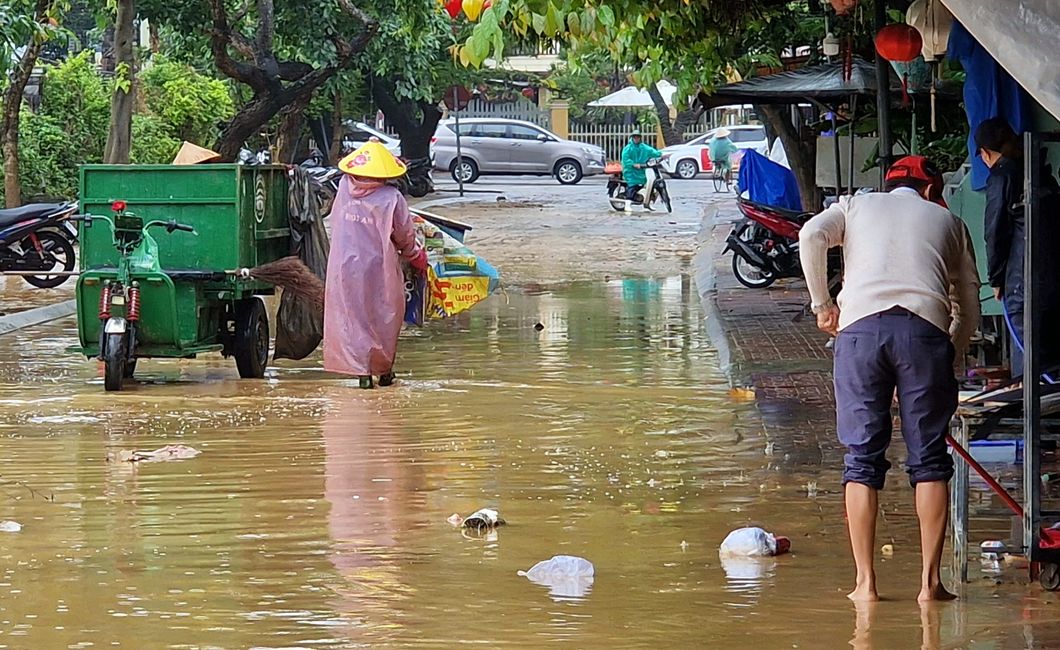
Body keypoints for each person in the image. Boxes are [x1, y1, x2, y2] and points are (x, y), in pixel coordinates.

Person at [799, 155, 981, 603]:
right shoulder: (948, 221)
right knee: (930, 460)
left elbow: (810, 235)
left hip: (860, 334)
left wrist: (823, 305)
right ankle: (929, 585)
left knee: (861, 459)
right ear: (930, 189)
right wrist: (949, 351)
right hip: (925, 334)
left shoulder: (856, 206)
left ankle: (865, 584)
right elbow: (970, 305)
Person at [324, 138, 428, 389]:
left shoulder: (343, 188)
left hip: (343, 266)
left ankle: (360, 371)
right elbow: (405, 236)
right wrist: (416, 256)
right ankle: (383, 369)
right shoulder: (392, 198)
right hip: (379, 268)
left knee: (353, 315)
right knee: (384, 315)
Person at [975, 117, 1060, 378]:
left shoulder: (1002, 178)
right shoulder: (1042, 174)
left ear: (986, 153)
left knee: (1034, 370)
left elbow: (995, 231)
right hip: (1053, 280)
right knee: (1053, 360)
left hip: (1022, 283)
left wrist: (996, 278)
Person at [620, 128, 662, 212]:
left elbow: (653, 152)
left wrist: (661, 154)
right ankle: (627, 204)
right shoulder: (628, 148)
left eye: (638, 137)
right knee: (632, 186)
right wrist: (633, 164)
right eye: (635, 137)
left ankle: (647, 203)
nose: (636, 139)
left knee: (649, 186)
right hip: (630, 171)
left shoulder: (644, 147)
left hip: (642, 171)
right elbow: (625, 159)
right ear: (632, 138)